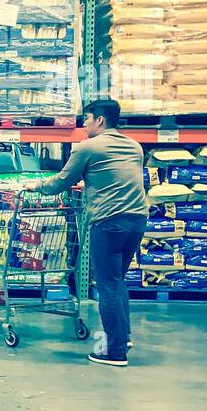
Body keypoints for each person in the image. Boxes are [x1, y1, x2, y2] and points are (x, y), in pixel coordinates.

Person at [37, 98, 147, 367]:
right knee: (117, 279)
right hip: (137, 219)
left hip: (108, 222)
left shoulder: (88, 147)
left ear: (99, 120)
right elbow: (112, 176)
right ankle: (123, 336)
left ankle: (115, 352)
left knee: (107, 284)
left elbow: (61, 181)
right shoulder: (134, 146)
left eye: (86, 119)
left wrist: (35, 186)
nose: (84, 125)